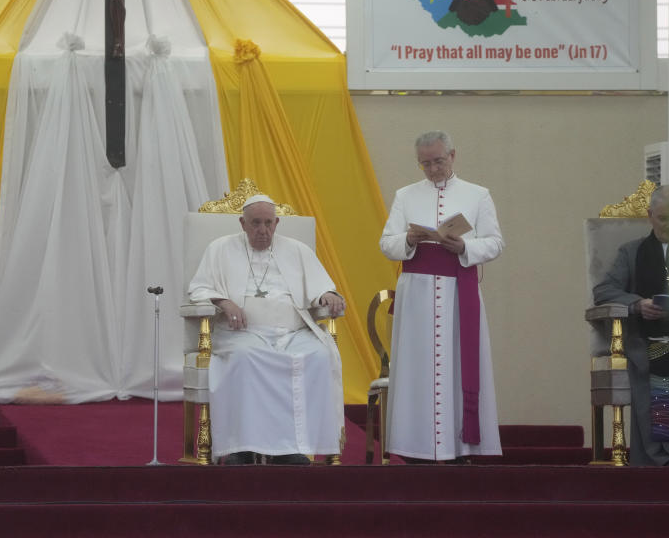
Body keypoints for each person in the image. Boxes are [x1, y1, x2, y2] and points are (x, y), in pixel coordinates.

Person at [188, 194, 345, 465]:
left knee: (318, 356)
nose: (263, 231)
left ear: (277, 222)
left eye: (269, 223)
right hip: (242, 334)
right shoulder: (220, 248)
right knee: (246, 359)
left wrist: (327, 295)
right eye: (256, 223)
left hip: (293, 334)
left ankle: (291, 450)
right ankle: (242, 449)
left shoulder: (297, 250)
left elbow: (320, 287)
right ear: (242, 223)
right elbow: (199, 288)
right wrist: (223, 301)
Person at [379, 130, 504, 463]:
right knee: (417, 369)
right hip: (417, 295)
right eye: (425, 164)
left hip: (457, 293)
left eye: (438, 161)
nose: (433, 169)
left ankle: (461, 447)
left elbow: (495, 242)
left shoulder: (478, 195)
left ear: (452, 155)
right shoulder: (405, 196)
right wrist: (408, 239)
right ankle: (415, 446)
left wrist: (465, 246)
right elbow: (387, 244)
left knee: (457, 365)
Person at [593, 184, 669, 465]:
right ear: (650, 215)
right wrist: (637, 304)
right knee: (660, 358)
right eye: (663, 218)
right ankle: (664, 459)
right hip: (648, 342)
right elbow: (603, 291)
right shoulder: (631, 252)